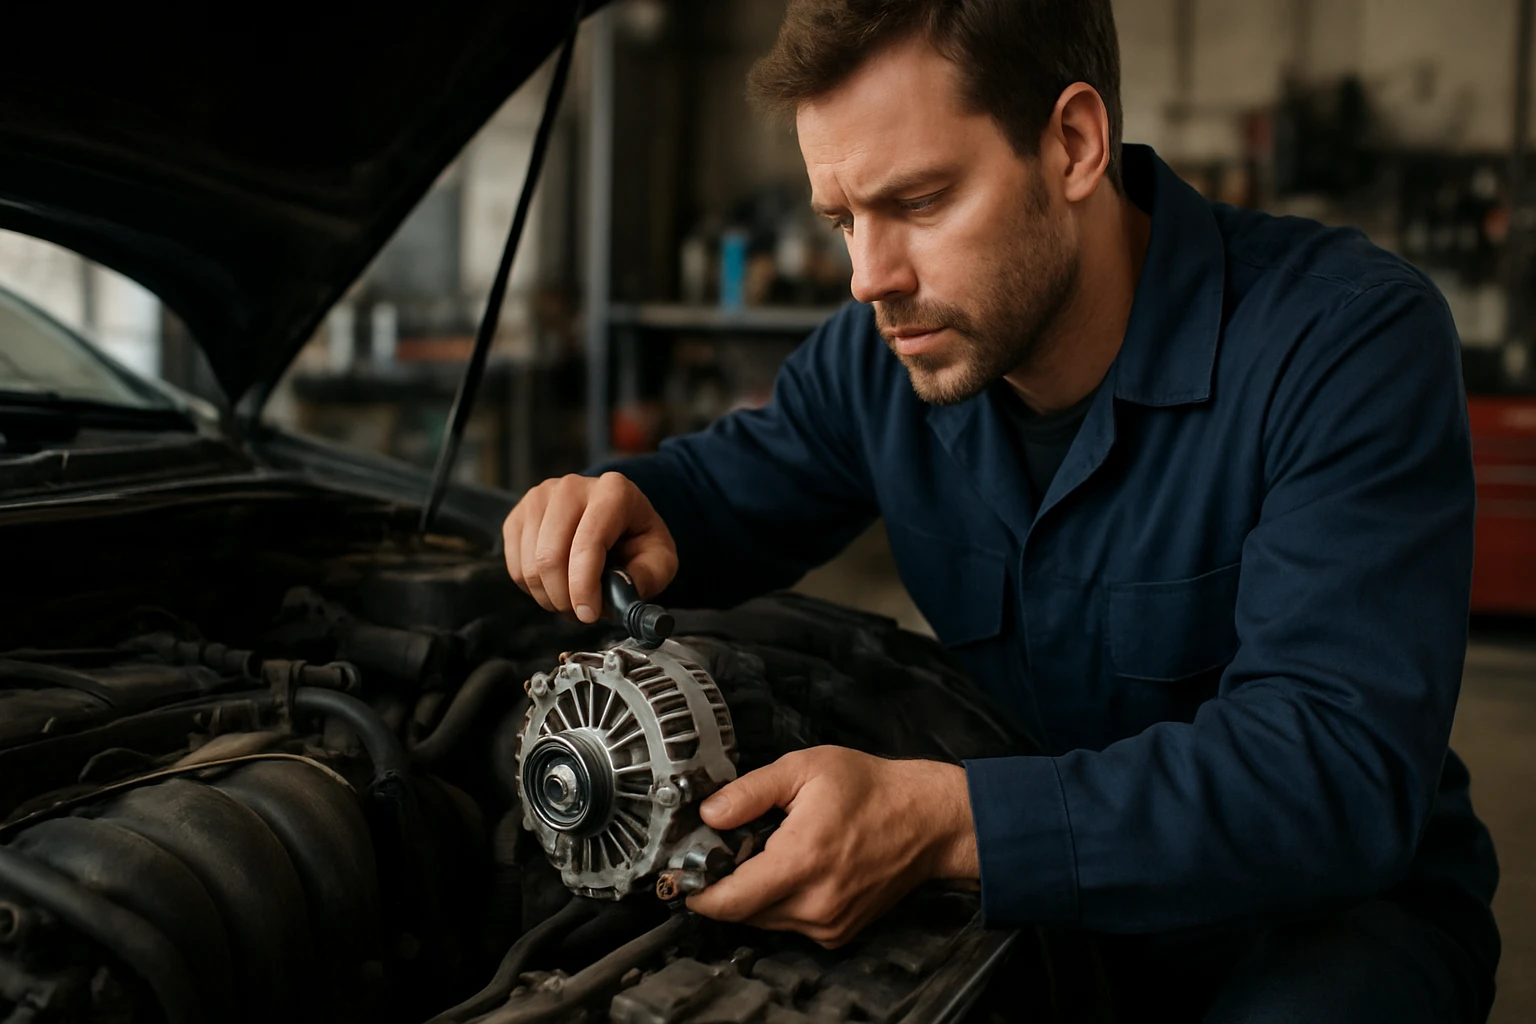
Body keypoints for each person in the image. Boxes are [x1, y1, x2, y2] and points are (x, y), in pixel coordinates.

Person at [501, 1, 1499, 1019]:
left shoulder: (1341, 343)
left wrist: (948, 823)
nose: (868, 279)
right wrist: (627, 504)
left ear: (1073, 143)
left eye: (921, 201)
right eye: (845, 219)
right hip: (1033, 897)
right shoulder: (887, 355)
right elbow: (728, 487)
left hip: (1315, 923)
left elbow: (1331, 771)